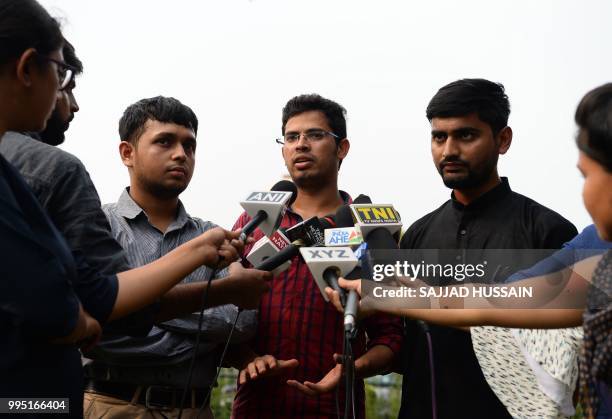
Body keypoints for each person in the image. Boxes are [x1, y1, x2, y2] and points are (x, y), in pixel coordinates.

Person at [0, 2, 245, 416]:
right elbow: (84, 306)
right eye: (64, 76)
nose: (70, 101)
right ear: (27, 68)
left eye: (190, 145)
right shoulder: (64, 180)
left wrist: (196, 258)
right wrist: (81, 320)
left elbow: (234, 324)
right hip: (38, 400)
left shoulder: (212, 233)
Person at [328, 83, 612, 419]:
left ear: (502, 140)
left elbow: (557, 361)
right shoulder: (594, 251)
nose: (449, 150)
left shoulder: (547, 228)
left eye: (586, 175)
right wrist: (387, 300)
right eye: (439, 137)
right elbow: (504, 299)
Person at [83, 96, 270, 419]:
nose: (181, 154)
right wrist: (201, 335)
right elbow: (93, 329)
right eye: (165, 141)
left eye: (190, 145)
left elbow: (241, 323)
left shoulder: (212, 235)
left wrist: (126, 306)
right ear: (127, 153)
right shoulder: (99, 226)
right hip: (111, 406)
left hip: (194, 409)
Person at [230, 94, 403, 418]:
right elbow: (225, 315)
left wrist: (353, 368)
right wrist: (247, 358)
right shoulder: (252, 223)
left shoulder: (369, 228)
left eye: (315, 135)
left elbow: (390, 336)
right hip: (256, 407)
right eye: (292, 137)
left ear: (342, 148)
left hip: (335, 409)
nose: (301, 145)